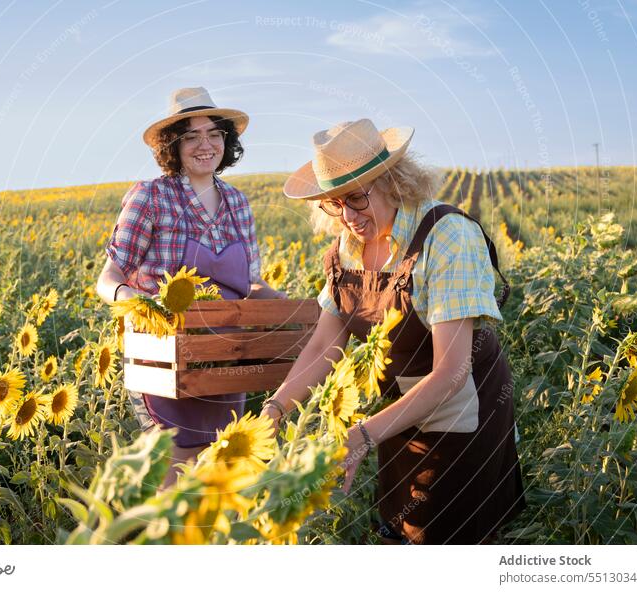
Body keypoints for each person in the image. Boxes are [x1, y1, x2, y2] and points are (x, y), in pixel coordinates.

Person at [260, 119, 526, 544]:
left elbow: (452, 372)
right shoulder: (346, 250)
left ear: (391, 180)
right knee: (399, 529)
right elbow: (324, 346)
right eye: (333, 203)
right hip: (398, 417)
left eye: (355, 198)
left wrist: (362, 436)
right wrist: (274, 410)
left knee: (444, 536)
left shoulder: (447, 237)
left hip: (462, 412)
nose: (347, 217)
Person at [97, 87, 284, 486]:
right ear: (173, 146)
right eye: (192, 136)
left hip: (227, 365)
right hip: (164, 363)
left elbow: (250, 286)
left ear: (226, 142)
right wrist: (135, 302)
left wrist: (296, 309)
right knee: (177, 479)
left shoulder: (238, 202)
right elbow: (108, 278)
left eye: (214, 134)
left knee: (221, 479)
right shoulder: (152, 197)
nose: (206, 145)